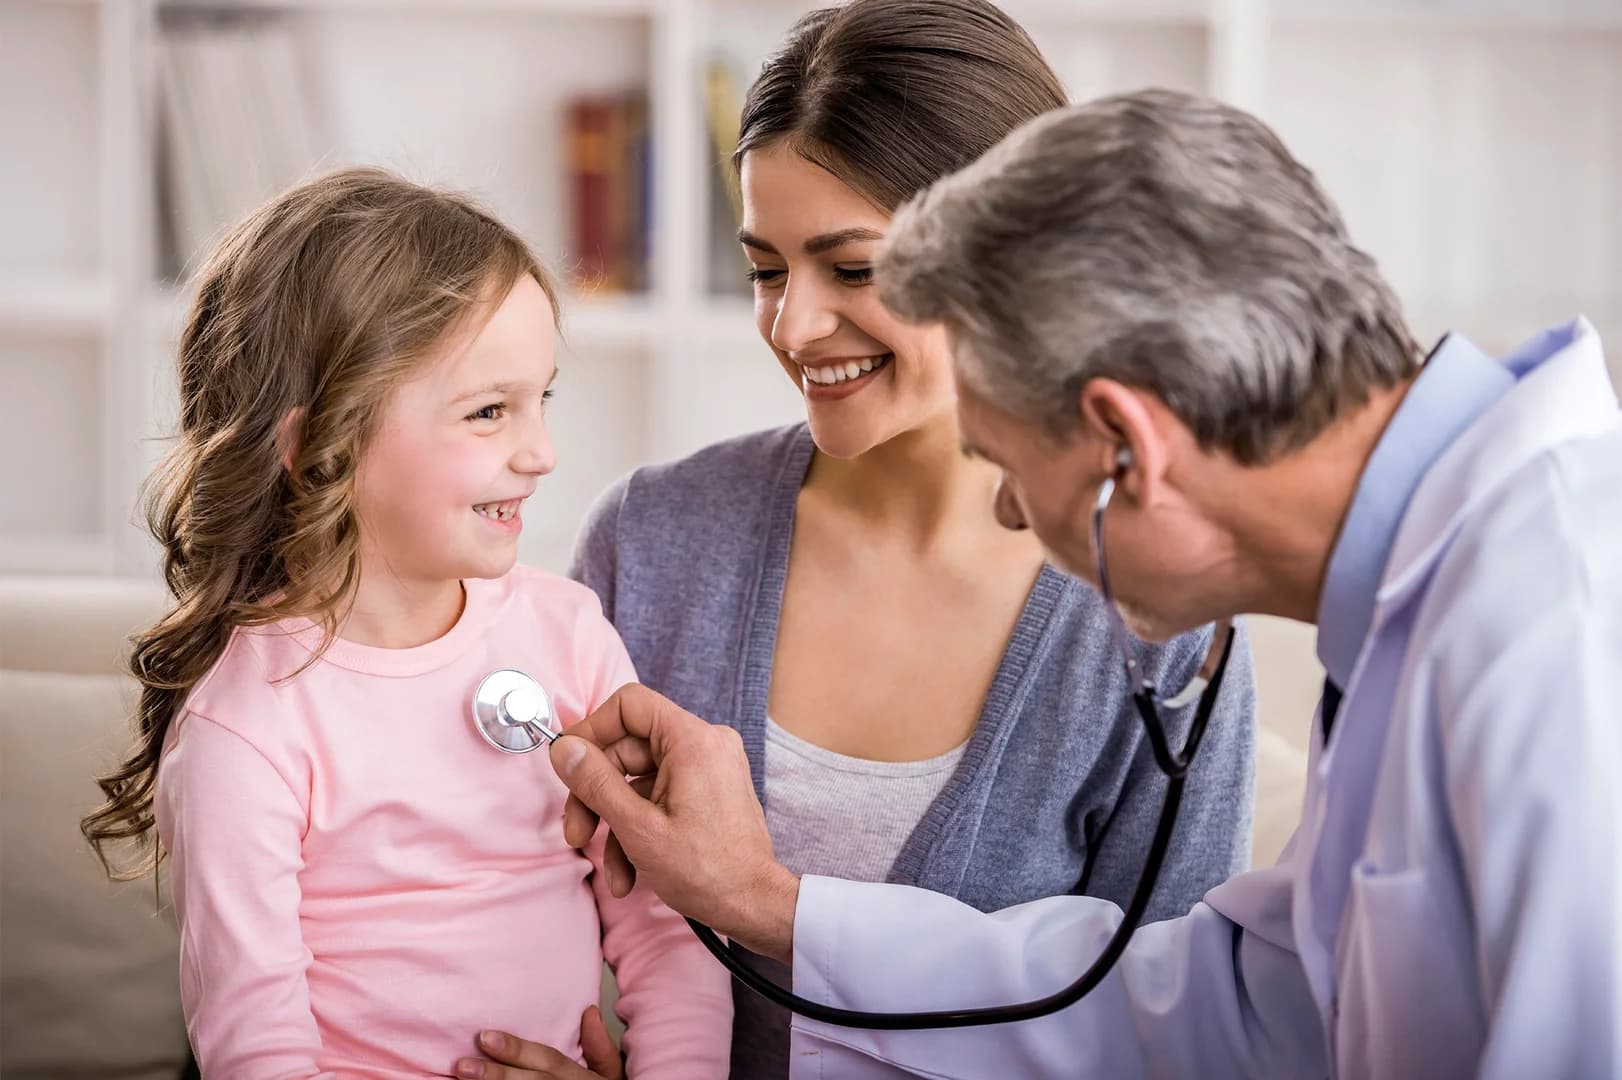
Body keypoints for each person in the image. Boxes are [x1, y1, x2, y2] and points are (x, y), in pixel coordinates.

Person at [478, 89, 1622, 1078]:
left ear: (1127, 442)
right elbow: (1244, 1005)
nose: (1012, 512)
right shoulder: (1433, 605)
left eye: (1010, 466)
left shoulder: (1548, 631)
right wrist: (770, 905)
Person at [565, 4, 1256, 1075]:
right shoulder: (647, 541)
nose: (790, 328)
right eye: (763, 269)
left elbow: (1178, 1032)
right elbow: (520, 907)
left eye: (850, 269)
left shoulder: (1159, 618)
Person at [80, 169, 731, 1078]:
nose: (540, 452)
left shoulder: (568, 634)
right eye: (489, 411)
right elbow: (257, 1047)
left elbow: (669, 935)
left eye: (544, 399)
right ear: (317, 446)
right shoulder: (249, 723)